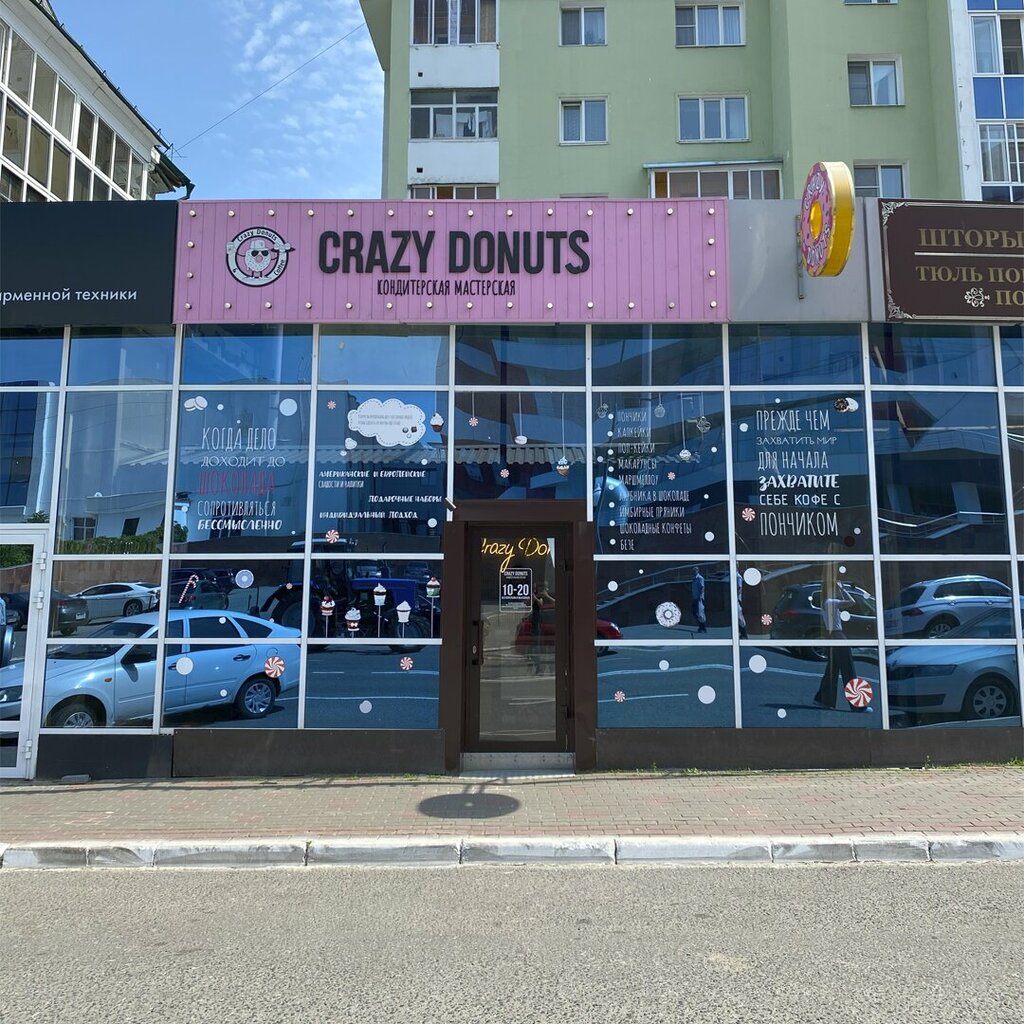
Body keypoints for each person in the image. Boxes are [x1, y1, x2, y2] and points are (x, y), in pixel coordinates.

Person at [813, 582, 855, 709]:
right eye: (835, 588)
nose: (837, 590)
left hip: (832, 636)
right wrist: (843, 590)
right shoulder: (831, 602)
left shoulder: (826, 602)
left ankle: (823, 700)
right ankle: (858, 705)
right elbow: (852, 602)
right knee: (849, 670)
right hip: (838, 636)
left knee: (832, 670)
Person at [691, 568, 708, 634]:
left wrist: (700, 597)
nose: (694, 572)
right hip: (694, 598)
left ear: (698, 571)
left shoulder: (700, 578)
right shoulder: (694, 579)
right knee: (694, 612)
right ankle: (701, 627)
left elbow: (702, 587)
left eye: (695, 570)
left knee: (700, 613)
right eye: (693, 571)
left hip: (699, 599)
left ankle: (703, 627)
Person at [736, 570, 748, 639]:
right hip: (735, 599)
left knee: (740, 616)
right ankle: (741, 632)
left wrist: (737, 598)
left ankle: (744, 633)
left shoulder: (738, 577)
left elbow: (739, 588)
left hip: (737, 600)